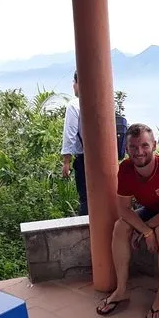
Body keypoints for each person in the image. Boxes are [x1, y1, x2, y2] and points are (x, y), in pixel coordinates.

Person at [96, 123, 159, 318]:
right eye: (133, 147)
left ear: (154, 146)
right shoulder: (126, 168)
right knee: (120, 226)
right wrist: (146, 231)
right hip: (152, 209)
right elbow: (123, 209)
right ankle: (121, 290)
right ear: (126, 148)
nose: (139, 152)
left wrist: (145, 229)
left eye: (144, 145)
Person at [60, 71, 88, 216]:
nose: (73, 86)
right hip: (106, 158)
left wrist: (66, 162)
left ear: (78, 83)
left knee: (86, 199)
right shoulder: (102, 100)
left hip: (85, 160)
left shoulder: (74, 105)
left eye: (74, 82)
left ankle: (88, 227)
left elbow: (69, 134)